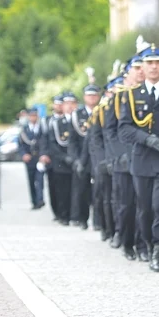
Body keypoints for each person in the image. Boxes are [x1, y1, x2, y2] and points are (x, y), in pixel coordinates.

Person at [118, 45, 159, 273]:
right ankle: (145, 242)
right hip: (142, 157)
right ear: (143, 67)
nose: (154, 67)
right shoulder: (131, 95)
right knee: (145, 208)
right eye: (149, 63)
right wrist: (146, 139)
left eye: (158, 63)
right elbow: (124, 129)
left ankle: (158, 250)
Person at [108, 59, 145, 260]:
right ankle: (127, 241)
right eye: (136, 68)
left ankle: (142, 244)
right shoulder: (119, 97)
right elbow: (111, 130)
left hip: (144, 157)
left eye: (142, 68)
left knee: (145, 204)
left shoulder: (148, 95)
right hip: (124, 159)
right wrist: (119, 154)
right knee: (126, 204)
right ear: (127, 73)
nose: (141, 72)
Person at [40, 94, 74, 225]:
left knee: (67, 188)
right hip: (52, 158)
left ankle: (66, 213)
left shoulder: (71, 119)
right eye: (57, 103)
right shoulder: (48, 121)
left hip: (66, 158)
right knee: (54, 188)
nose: (59, 106)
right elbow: (44, 139)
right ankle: (58, 212)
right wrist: (44, 154)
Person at [88, 83, 116, 242]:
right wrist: (101, 161)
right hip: (104, 161)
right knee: (105, 197)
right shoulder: (101, 111)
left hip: (119, 159)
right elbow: (95, 140)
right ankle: (107, 228)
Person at [68, 87, 99, 229]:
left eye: (94, 95)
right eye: (89, 95)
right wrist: (76, 160)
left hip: (97, 157)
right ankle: (82, 219)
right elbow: (72, 141)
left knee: (99, 191)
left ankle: (98, 221)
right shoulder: (77, 115)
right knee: (81, 191)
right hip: (82, 158)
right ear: (84, 97)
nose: (92, 98)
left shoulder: (101, 111)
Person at [19, 107, 45, 210]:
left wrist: (42, 155)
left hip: (39, 158)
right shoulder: (24, 130)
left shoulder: (42, 128)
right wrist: (23, 154)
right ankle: (34, 202)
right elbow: (20, 144)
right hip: (29, 159)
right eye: (31, 115)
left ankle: (40, 199)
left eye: (35, 115)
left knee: (40, 180)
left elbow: (44, 142)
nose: (33, 117)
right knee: (31, 181)